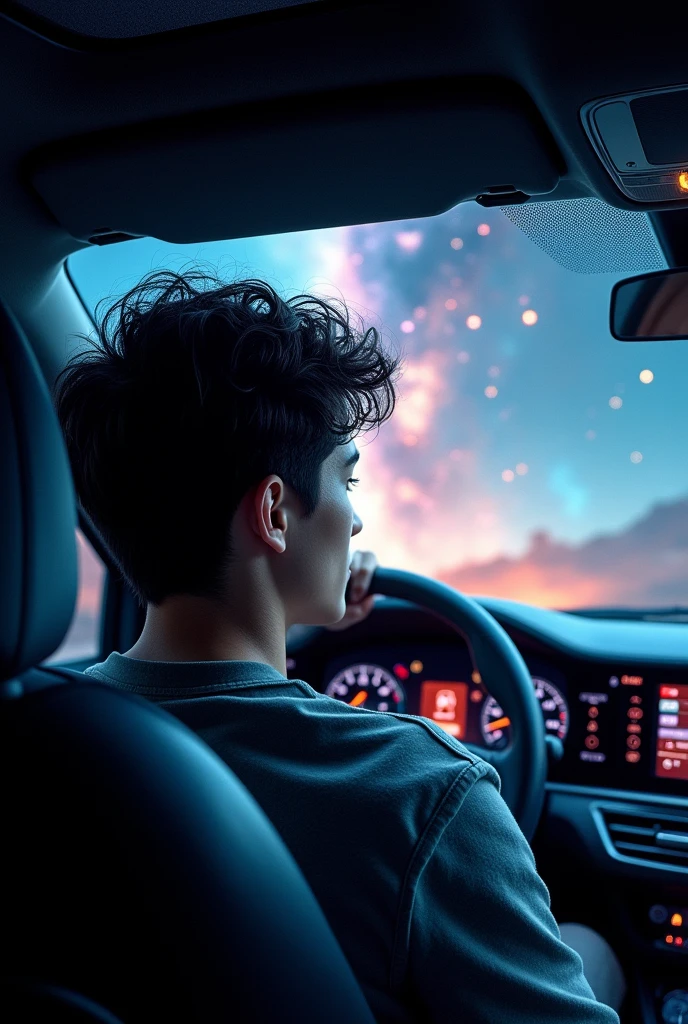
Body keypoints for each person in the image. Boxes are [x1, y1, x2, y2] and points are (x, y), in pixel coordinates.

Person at [56, 270, 625, 1022]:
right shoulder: (423, 789)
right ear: (274, 512)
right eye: (346, 480)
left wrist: (285, 607)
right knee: (593, 949)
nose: (355, 523)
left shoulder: (45, 747)